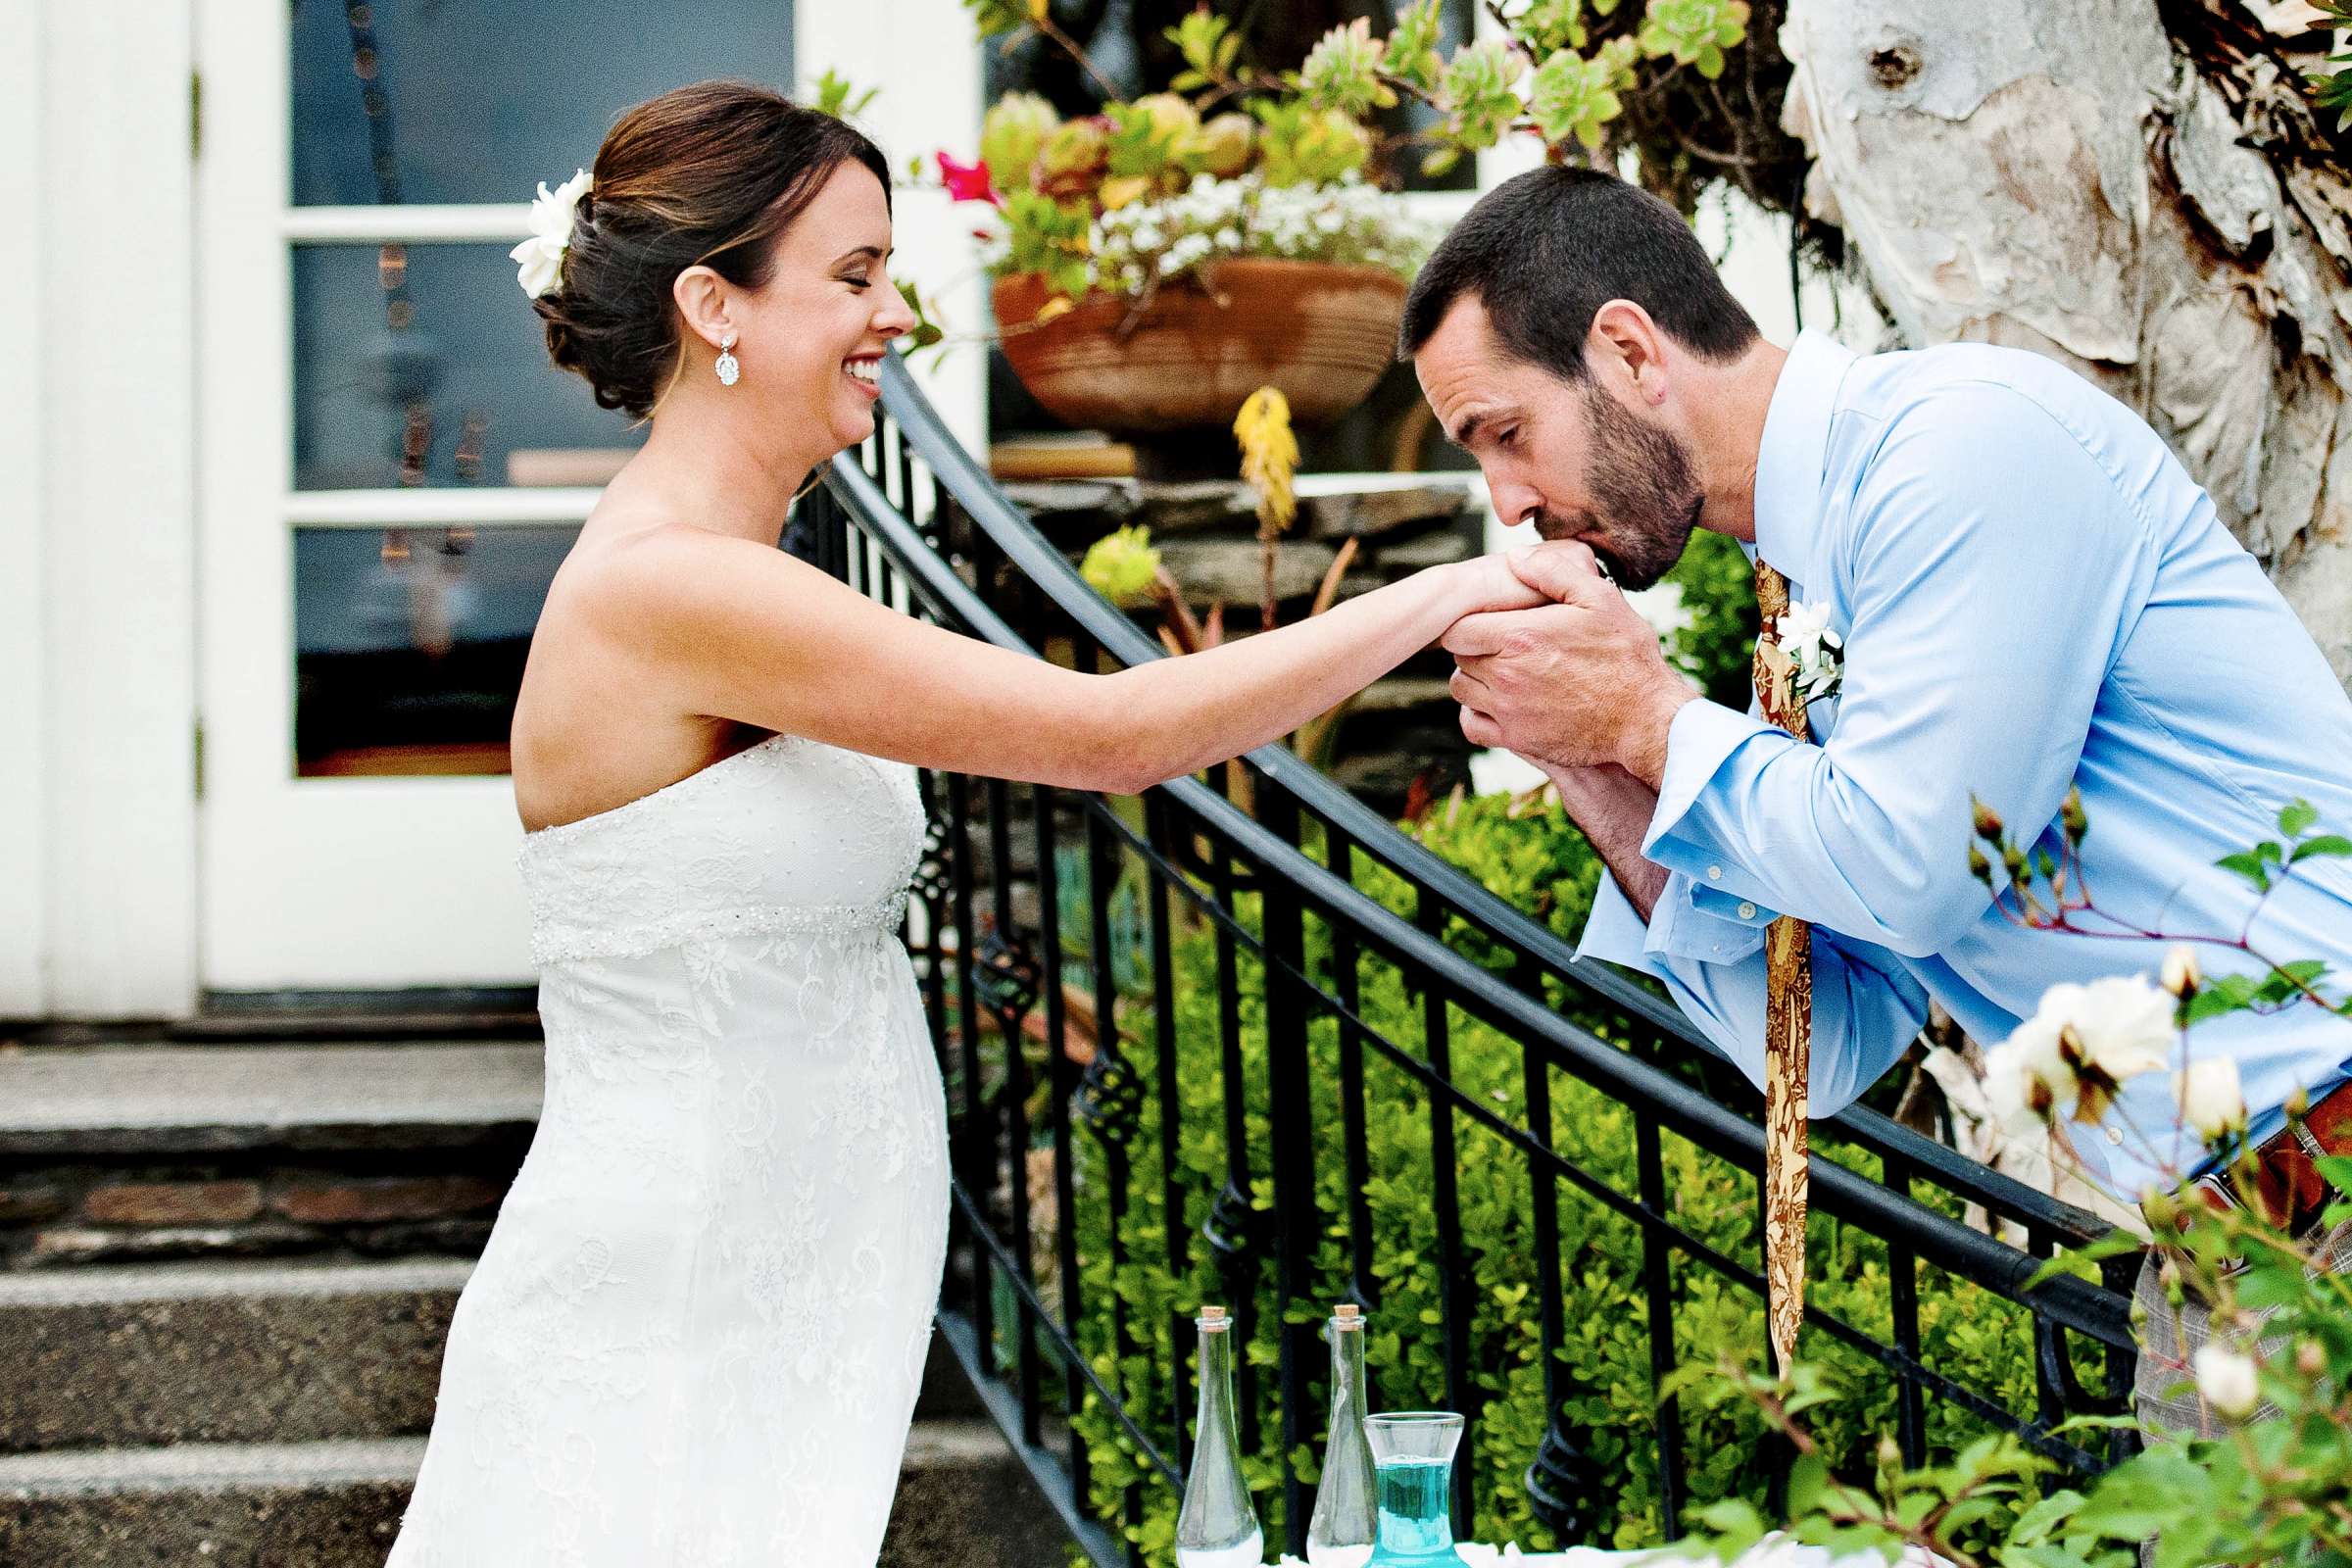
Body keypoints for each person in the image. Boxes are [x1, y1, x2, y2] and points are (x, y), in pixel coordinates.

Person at [383, 82, 1552, 1568]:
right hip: (671, 1310)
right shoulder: (669, 586)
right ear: (712, 305)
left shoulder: (734, 571)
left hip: (775, 1307)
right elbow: (1112, 740)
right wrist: (1442, 591)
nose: (897, 318)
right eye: (856, 278)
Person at [1401, 166, 2352, 1445]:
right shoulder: (1809, 594)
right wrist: (1599, 779)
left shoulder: (1964, 449)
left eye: (1504, 435)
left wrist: (1643, 717)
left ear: (1628, 353)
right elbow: (1829, 1049)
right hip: (2228, 1263)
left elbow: (1914, 865)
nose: (1508, 507)